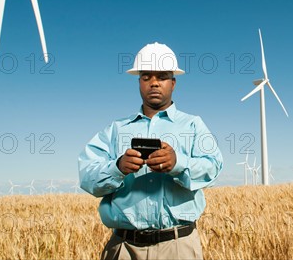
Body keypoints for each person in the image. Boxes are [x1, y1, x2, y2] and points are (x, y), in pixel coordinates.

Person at [79, 42, 223, 260]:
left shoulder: (193, 125)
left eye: (162, 77)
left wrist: (178, 163)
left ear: (173, 83)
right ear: (139, 82)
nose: (154, 83)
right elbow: (87, 176)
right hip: (124, 247)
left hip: (178, 247)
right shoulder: (116, 129)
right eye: (146, 77)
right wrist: (117, 167)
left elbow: (213, 167)